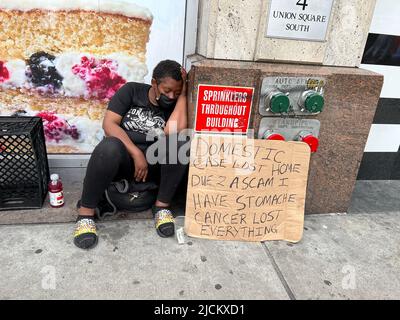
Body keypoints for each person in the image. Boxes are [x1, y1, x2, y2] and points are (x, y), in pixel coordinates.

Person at [73, 60, 189, 250]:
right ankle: (85, 215)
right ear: (154, 83)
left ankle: (161, 207)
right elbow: (109, 125)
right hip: (125, 159)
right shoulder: (132, 91)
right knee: (109, 146)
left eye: (175, 92)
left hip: (154, 165)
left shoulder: (176, 104)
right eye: (167, 90)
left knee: (180, 143)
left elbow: (172, 132)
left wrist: (183, 95)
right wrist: (136, 153)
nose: (171, 96)